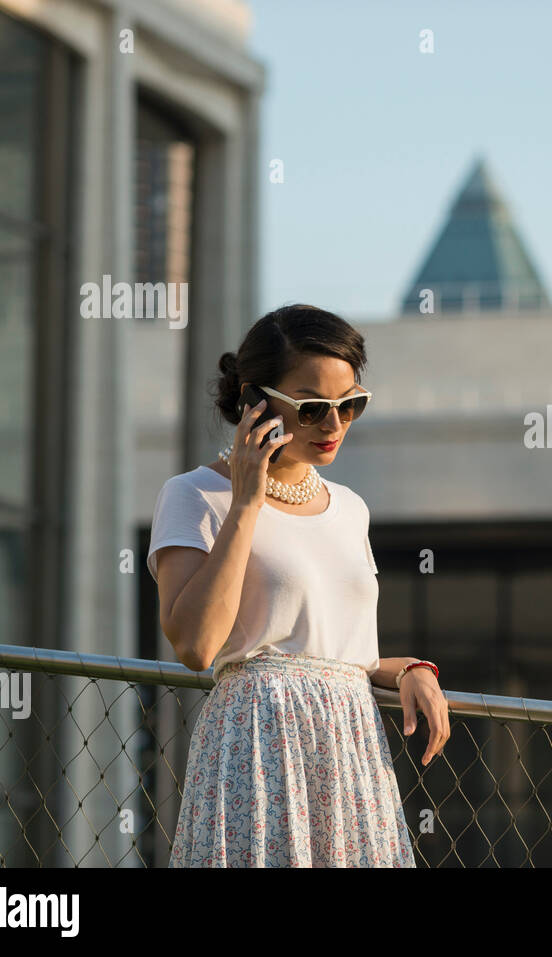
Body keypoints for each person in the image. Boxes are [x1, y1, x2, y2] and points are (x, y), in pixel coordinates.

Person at [146, 303, 449, 867]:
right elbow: (195, 646)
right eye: (312, 410)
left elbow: (336, 651)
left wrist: (407, 669)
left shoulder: (350, 509)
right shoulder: (192, 495)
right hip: (256, 745)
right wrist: (246, 502)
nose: (333, 426)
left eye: (350, 405)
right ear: (254, 398)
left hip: (350, 749)